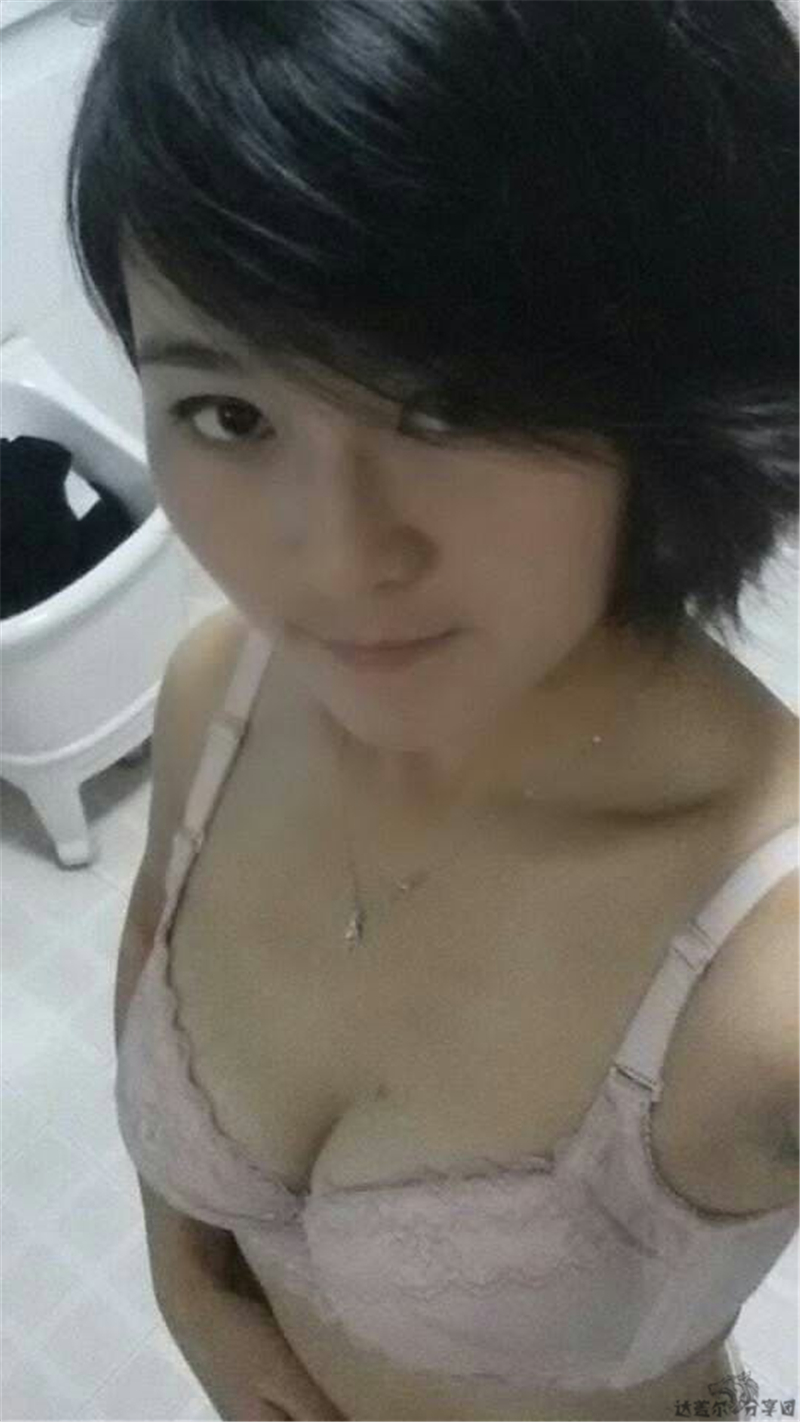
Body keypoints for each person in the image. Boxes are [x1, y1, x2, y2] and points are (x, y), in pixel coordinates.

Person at [66, 3, 798, 1418]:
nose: (336, 561)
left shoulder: (767, 976)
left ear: (676, 385)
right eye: (228, 413)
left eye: (453, 404)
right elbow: (154, 949)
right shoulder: (221, 693)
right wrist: (190, 1287)